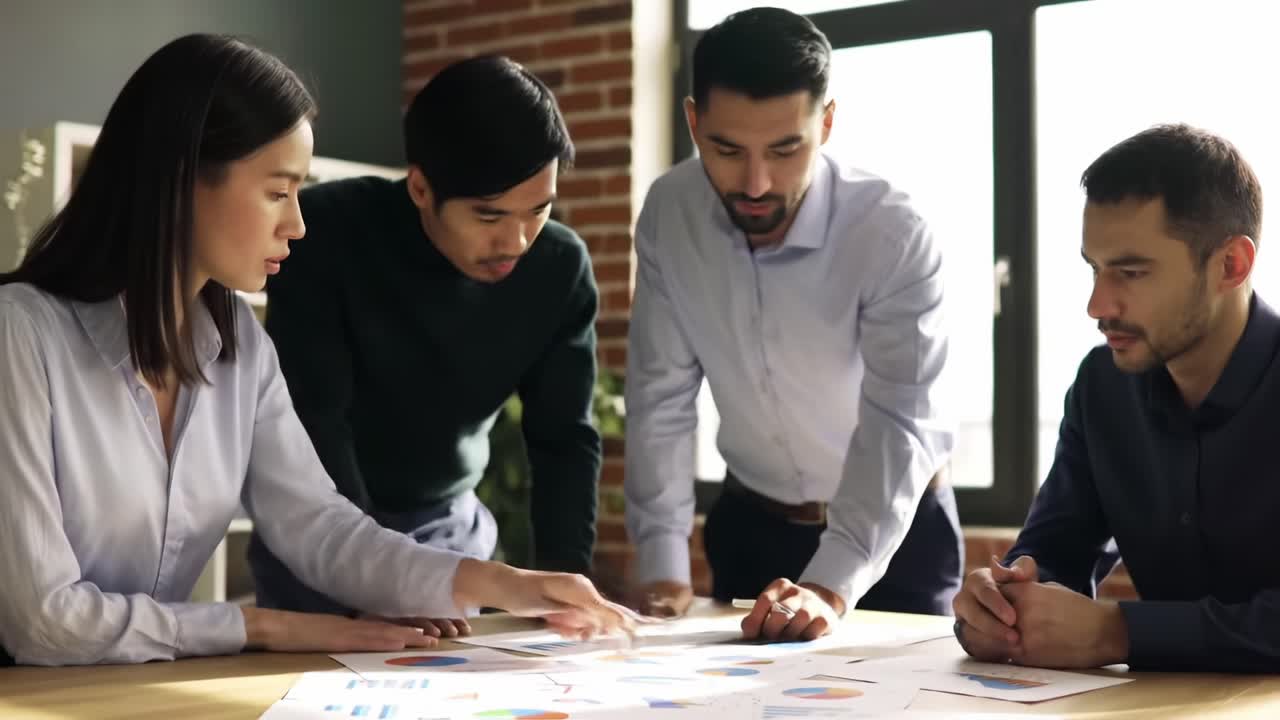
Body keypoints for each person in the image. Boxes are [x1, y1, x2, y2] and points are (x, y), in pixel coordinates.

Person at [0, 34, 634, 667]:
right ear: (183, 179)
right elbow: (43, 622)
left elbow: (317, 524)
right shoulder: (20, 336)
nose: (298, 224)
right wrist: (260, 626)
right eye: (278, 192)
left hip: (127, 690)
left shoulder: (239, 348)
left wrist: (512, 584)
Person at [624, 7, 960, 642]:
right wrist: (664, 567)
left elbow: (902, 420)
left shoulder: (891, 232)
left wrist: (829, 586)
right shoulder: (670, 213)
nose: (756, 182)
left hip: (897, 534)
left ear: (826, 122)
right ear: (693, 122)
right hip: (751, 525)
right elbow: (659, 396)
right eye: (726, 149)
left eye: (785, 149)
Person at [245, 54, 602, 621]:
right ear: (419, 188)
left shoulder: (559, 267)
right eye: (489, 217)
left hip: (450, 526)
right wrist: (379, 583)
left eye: (538, 210)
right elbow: (318, 418)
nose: (516, 241)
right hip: (321, 524)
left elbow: (563, 439)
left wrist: (562, 589)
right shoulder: (328, 233)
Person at [953, 124, 1278, 672]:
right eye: (1095, 268)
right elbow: (1051, 553)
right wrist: (1003, 606)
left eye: (1131, 271)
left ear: (1231, 266)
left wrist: (1117, 632)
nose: (1097, 304)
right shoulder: (1102, 386)